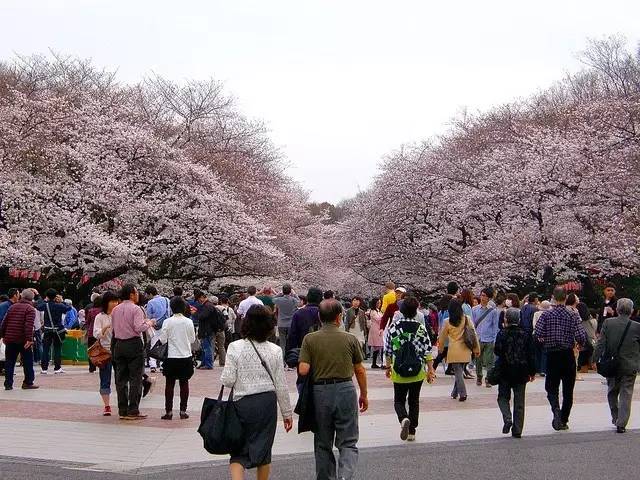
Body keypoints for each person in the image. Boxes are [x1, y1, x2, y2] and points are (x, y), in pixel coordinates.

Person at [298, 299, 368, 480]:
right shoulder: (350, 339)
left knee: (322, 442)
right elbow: (359, 369)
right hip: (345, 389)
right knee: (348, 441)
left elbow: (303, 369)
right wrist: (364, 394)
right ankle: (344, 476)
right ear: (339, 317)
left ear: (320, 318)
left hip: (320, 392)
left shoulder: (310, 339)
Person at [221, 305, 293, 480]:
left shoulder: (235, 347)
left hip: (242, 402)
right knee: (264, 449)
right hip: (267, 403)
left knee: (238, 451)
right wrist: (287, 413)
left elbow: (228, 380)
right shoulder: (275, 350)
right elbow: (280, 384)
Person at [534, 287, 587, 431]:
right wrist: (579, 344)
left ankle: (555, 409)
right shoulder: (573, 314)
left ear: (553, 297)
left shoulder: (546, 315)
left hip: (552, 354)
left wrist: (544, 340)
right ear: (565, 297)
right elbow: (582, 336)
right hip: (567, 354)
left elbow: (537, 333)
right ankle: (564, 418)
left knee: (551, 387)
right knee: (568, 390)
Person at [384, 296, 435, 441]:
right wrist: (430, 370)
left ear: (402, 310)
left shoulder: (394, 327)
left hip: (399, 370)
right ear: (415, 312)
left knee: (399, 400)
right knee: (414, 400)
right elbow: (427, 351)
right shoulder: (421, 328)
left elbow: (388, 350)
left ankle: (403, 419)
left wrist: (388, 367)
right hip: (418, 370)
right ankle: (412, 431)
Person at [595, 298, 640, 433]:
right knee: (626, 393)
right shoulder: (637, 326)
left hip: (612, 363)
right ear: (631, 311)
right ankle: (622, 422)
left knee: (612, 391)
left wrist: (595, 358)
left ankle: (615, 417)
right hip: (630, 364)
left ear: (616, 309)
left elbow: (601, 342)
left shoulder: (608, 323)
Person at [111, 284, 156, 420]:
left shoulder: (115, 309)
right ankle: (133, 409)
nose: (137, 295)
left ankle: (122, 409)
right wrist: (150, 323)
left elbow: (114, 328)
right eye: (136, 292)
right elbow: (139, 327)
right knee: (135, 377)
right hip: (133, 344)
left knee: (121, 379)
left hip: (119, 344)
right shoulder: (136, 309)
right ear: (131, 294)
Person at [494, 308, 536, 438]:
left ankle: (507, 418)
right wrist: (532, 371)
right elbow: (531, 354)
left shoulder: (502, 333)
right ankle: (517, 430)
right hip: (521, 371)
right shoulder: (526, 334)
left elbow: (497, 351)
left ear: (506, 319)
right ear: (519, 319)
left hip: (505, 370)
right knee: (519, 401)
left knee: (503, 397)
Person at [158, 296, 196, 420]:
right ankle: (183, 411)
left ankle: (168, 411)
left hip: (171, 356)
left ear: (171, 308)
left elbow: (163, 340)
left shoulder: (167, 322)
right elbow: (192, 339)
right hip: (185, 356)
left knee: (169, 383)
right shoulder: (188, 321)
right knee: (184, 383)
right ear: (184, 307)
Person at [437, 299, 480, 401]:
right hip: (466, 350)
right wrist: (476, 348)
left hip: (454, 351)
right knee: (459, 372)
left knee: (458, 372)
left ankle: (463, 393)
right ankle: (454, 393)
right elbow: (474, 335)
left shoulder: (447, 321)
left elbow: (442, 337)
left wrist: (441, 349)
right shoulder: (466, 319)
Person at [0, 289, 39, 390]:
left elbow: (4, 323)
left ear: (21, 296)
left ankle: (8, 384)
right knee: (27, 361)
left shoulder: (12, 307)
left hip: (10, 338)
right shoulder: (30, 309)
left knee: (9, 361)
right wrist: (29, 339)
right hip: (23, 340)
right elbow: (29, 325)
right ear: (32, 298)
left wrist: (3, 336)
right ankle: (28, 382)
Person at [93, 291, 118, 416]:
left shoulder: (119, 315)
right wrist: (105, 328)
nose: (114, 304)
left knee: (121, 378)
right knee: (105, 378)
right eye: (112, 301)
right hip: (105, 352)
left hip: (119, 350)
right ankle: (107, 406)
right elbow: (96, 334)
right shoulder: (100, 317)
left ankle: (123, 402)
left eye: (116, 301)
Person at [37, 289, 72, 374]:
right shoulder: (59, 305)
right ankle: (57, 368)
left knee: (46, 348)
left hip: (48, 329)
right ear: (56, 296)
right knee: (57, 349)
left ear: (47, 296)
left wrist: (42, 298)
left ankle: (44, 368)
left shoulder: (46, 305)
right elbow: (69, 308)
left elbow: (38, 306)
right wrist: (62, 301)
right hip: (58, 330)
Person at [471, 287, 500, 387]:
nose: (482, 297)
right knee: (478, 359)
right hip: (478, 337)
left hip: (489, 338)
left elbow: (495, 326)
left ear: (489, 298)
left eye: (484, 296)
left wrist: (495, 339)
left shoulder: (493, 311)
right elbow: (472, 325)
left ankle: (488, 378)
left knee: (489, 360)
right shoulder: (474, 309)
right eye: (481, 295)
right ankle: (479, 376)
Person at [193, 290, 224, 370]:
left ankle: (208, 364)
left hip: (207, 329)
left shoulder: (207, 306)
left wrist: (195, 313)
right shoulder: (208, 305)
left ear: (202, 297)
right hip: (207, 329)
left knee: (207, 348)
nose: (198, 301)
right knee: (205, 347)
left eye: (199, 299)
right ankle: (204, 363)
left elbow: (202, 316)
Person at [144, 286, 172, 373]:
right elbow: (170, 312)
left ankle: (153, 365)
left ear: (150, 294)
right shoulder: (167, 300)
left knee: (153, 344)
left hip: (155, 325)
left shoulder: (150, 302)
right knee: (165, 345)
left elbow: (148, 316)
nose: (146, 296)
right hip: (166, 324)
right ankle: (164, 364)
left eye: (146, 294)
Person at [288, 287, 322, 351]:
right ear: (321, 299)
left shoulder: (298, 313)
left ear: (307, 297)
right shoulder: (325, 313)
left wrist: (291, 352)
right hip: (321, 351)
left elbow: (292, 335)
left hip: (302, 350)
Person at [273, 284, 300, 366]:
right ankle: (290, 360)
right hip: (291, 324)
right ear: (290, 291)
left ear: (283, 291)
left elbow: (272, 299)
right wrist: (294, 294)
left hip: (281, 323)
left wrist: (280, 293)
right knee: (290, 343)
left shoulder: (279, 300)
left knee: (282, 343)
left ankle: (282, 361)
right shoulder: (293, 300)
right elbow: (299, 302)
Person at [85, 294, 102, 373]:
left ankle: (91, 367)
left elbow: (87, 322)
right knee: (101, 350)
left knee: (91, 350)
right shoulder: (103, 311)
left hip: (91, 333)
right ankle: (101, 365)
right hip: (101, 333)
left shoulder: (91, 311)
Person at [366, 298, 384, 369]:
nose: (379, 304)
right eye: (377, 303)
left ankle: (375, 363)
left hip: (378, 329)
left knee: (379, 346)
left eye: (379, 303)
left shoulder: (378, 311)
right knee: (377, 346)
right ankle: (375, 363)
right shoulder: (373, 311)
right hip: (375, 329)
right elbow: (379, 319)